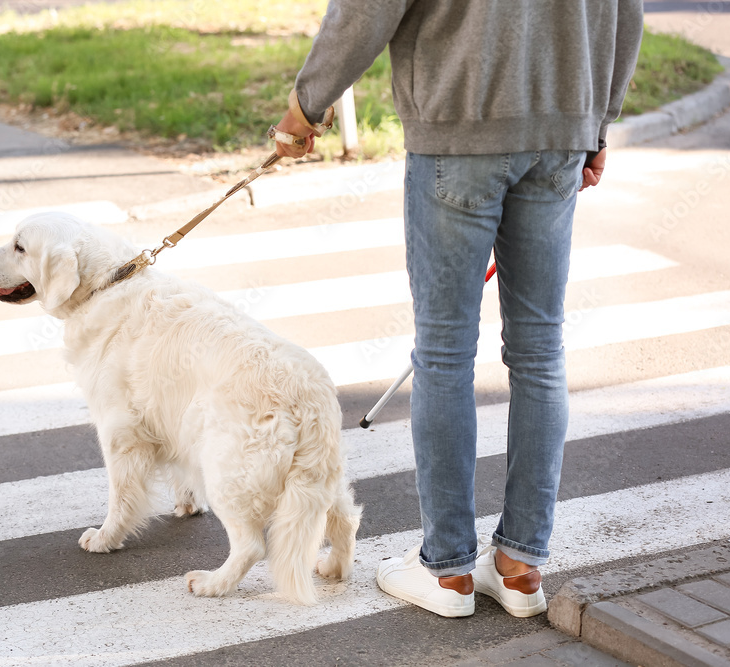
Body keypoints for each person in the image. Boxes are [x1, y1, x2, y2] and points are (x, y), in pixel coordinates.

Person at [273, 1, 644, 618]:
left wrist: (307, 104)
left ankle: (446, 572)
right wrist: (598, 125)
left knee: (445, 354)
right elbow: (624, 14)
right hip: (560, 131)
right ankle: (521, 567)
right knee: (539, 352)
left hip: (458, 126)